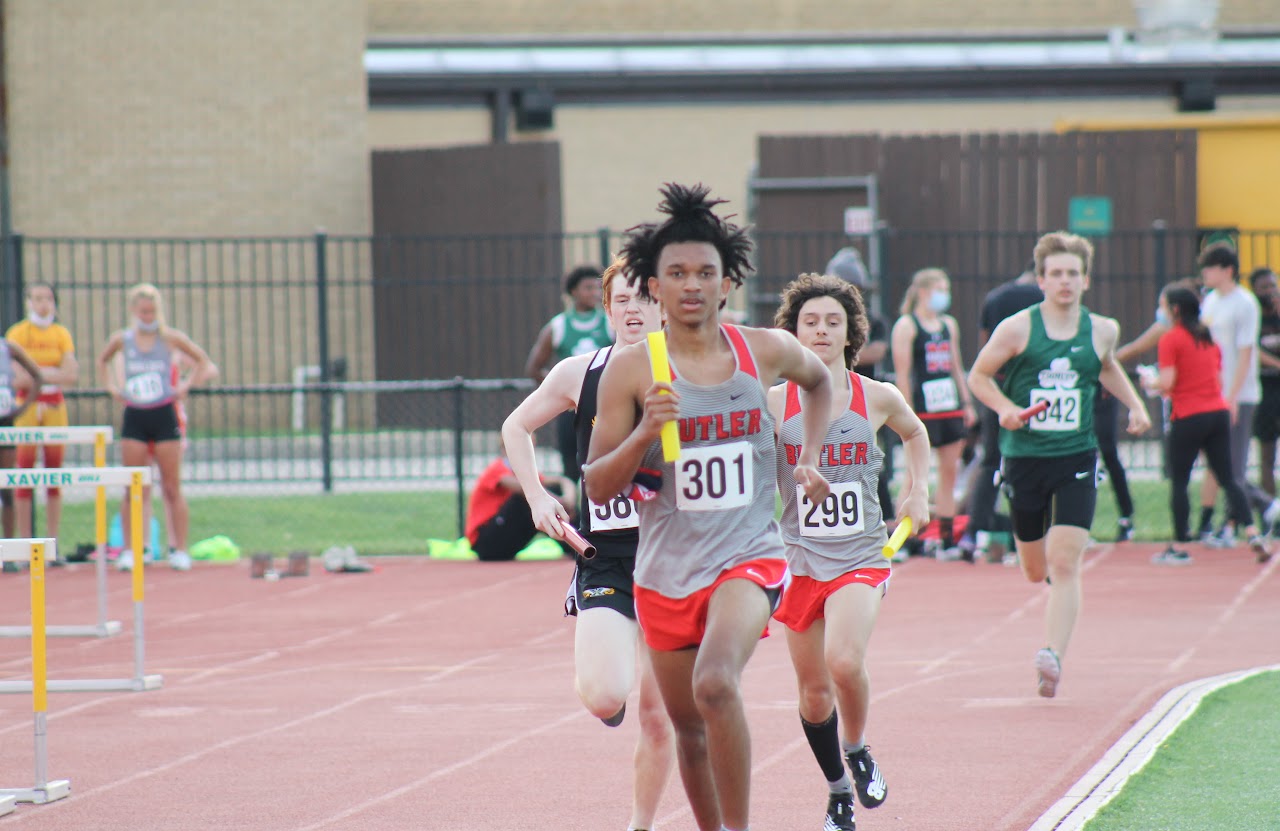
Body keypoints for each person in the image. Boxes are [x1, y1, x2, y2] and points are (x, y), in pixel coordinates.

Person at [584, 183, 834, 831]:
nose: (691, 284)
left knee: (716, 682)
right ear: (654, 286)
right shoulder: (633, 371)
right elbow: (597, 486)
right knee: (688, 728)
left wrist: (807, 455)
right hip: (664, 573)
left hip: (747, 557)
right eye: (676, 274)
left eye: (705, 273)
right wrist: (643, 434)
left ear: (728, 283)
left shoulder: (764, 350)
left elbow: (820, 380)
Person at [501, 257, 674, 831]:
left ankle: (640, 825)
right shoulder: (580, 372)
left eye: (642, 299)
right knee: (604, 696)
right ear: (605, 309)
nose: (632, 310)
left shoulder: (691, 370)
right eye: (620, 300)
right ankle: (614, 688)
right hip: (608, 558)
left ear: (664, 303)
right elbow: (515, 427)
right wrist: (536, 498)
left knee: (661, 715)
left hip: (677, 558)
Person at [769, 273, 930, 831]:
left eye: (832, 321)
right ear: (793, 331)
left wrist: (919, 489)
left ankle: (857, 747)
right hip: (799, 563)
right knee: (814, 696)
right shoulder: (774, 401)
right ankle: (838, 791)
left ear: (849, 332)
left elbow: (916, 433)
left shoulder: (877, 396)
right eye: (810, 321)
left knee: (843, 661)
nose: (821, 330)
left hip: (861, 556)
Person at [967, 231, 1151, 698]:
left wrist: (1135, 405)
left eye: (1073, 273)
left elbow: (1106, 364)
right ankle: (1045, 588)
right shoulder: (1018, 328)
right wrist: (1005, 408)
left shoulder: (1102, 329)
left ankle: (1052, 655)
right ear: (1042, 280)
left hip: (1075, 456)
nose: (1065, 281)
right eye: (1056, 274)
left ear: (1085, 280)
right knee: (1034, 569)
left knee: (1065, 560)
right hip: (1024, 458)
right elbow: (979, 376)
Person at [1140, 283, 1271, 565]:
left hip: (1188, 415)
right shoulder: (1207, 337)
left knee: (1180, 480)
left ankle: (1178, 543)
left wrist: (1149, 382)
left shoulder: (1171, 339)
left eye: (1162, 306)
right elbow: (1217, 375)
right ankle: (1252, 532)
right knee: (1229, 477)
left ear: (1174, 310)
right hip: (1217, 412)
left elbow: (1168, 382)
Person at [97, 283, 216, 571]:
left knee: (172, 486)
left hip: (164, 414)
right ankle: (131, 549)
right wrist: (112, 387)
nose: (147, 316)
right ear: (133, 311)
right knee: (133, 487)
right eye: (143, 311)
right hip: (135, 415)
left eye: (152, 311)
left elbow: (202, 360)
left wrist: (186, 386)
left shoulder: (170, 338)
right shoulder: (123, 340)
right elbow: (103, 360)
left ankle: (180, 549)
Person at [1196, 244, 1280, 545]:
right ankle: (1257, 509)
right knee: (1220, 463)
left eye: (1209, 268)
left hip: (1239, 395)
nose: (1204, 274)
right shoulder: (1211, 303)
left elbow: (1247, 353)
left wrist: (1231, 397)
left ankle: (1244, 518)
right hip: (1213, 392)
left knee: (1231, 466)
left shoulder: (1244, 304)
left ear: (1226, 270)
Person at [890, 268, 976, 559]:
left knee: (949, 473)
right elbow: (903, 373)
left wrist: (966, 404)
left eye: (946, 289)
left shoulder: (948, 325)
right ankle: (905, 538)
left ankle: (947, 539)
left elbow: (955, 365)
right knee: (916, 476)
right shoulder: (907, 326)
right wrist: (907, 412)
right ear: (924, 292)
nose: (944, 295)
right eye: (940, 289)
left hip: (949, 408)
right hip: (923, 412)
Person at [967, 264, 1043, 563]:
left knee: (990, 461)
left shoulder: (996, 298)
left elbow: (986, 343)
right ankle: (1025, 534)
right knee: (1032, 461)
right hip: (1034, 388)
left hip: (997, 385)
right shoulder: (1045, 301)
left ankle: (975, 529)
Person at [524, 264, 613, 484]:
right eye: (588, 287)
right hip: (571, 408)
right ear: (573, 291)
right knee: (571, 464)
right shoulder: (559, 326)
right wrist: (563, 390)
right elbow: (534, 368)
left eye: (597, 288)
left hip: (603, 404)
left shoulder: (609, 323)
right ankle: (575, 513)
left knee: (605, 459)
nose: (594, 292)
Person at [6, 282, 79, 541]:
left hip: (54, 406)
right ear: (28, 302)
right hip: (27, 407)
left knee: (54, 474)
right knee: (23, 474)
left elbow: (70, 374)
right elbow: (19, 377)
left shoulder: (61, 334)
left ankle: (53, 541)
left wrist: (38, 373)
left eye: (48, 298)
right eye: (37, 299)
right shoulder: (18, 334)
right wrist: (50, 373)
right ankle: (25, 540)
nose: (43, 304)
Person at [827, 247, 896, 519]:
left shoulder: (873, 320)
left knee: (873, 460)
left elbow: (877, 352)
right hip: (830, 397)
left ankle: (884, 518)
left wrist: (838, 351)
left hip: (863, 399)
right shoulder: (824, 320)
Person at [461, 446, 576, 562]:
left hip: (506, 541)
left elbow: (563, 481)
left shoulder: (524, 472)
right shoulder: (496, 469)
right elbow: (524, 489)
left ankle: (579, 541)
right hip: (485, 542)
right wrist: (558, 501)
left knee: (550, 492)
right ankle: (573, 543)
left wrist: (568, 499)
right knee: (528, 500)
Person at [0, 337, 46, 538]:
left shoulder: (8, 348)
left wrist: (21, 408)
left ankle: (8, 548)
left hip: (5, 423)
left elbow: (37, 376)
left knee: (6, 488)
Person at [1249, 267, 1280, 497]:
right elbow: (1251, 350)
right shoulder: (1253, 316)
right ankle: (1272, 513)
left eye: (1273, 285)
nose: (1270, 291)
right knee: (1267, 456)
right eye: (1264, 287)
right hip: (1265, 389)